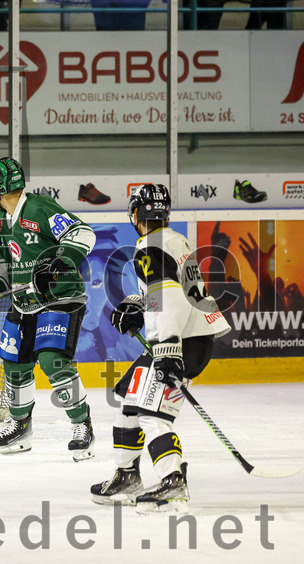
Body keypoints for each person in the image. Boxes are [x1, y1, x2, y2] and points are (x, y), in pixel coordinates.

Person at [90, 184, 230, 512]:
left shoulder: (150, 246)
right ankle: (127, 475)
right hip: (187, 336)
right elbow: (170, 291)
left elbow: (169, 296)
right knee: (126, 398)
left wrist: (168, 346)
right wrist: (138, 305)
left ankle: (172, 480)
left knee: (151, 414)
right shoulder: (172, 239)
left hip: (180, 341)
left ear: (135, 214)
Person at [0, 157, 97, 461]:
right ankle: (20, 427)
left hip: (60, 298)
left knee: (52, 361)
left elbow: (83, 233)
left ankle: (82, 424)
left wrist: (59, 262)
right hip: (23, 303)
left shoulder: (38, 208)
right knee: (14, 364)